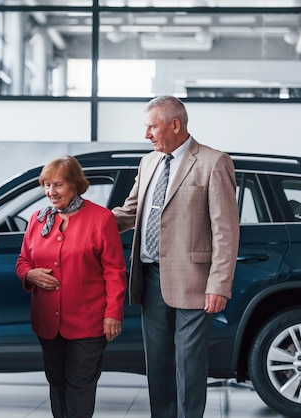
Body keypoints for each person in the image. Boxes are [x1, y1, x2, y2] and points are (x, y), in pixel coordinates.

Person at [112, 95, 240, 418]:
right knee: (157, 363)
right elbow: (130, 213)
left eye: (151, 127)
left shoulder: (214, 162)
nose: (146, 135)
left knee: (189, 364)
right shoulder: (148, 162)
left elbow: (226, 230)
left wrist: (219, 284)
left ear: (175, 124)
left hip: (194, 281)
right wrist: (85, 221)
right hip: (149, 277)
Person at [15, 155, 127, 418]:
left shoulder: (101, 219)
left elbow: (115, 271)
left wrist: (113, 313)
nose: (50, 192)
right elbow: (22, 261)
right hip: (48, 321)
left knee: (80, 385)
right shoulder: (38, 219)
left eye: (58, 185)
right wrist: (30, 274)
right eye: (47, 185)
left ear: (75, 185)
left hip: (88, 322)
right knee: (57, 383)